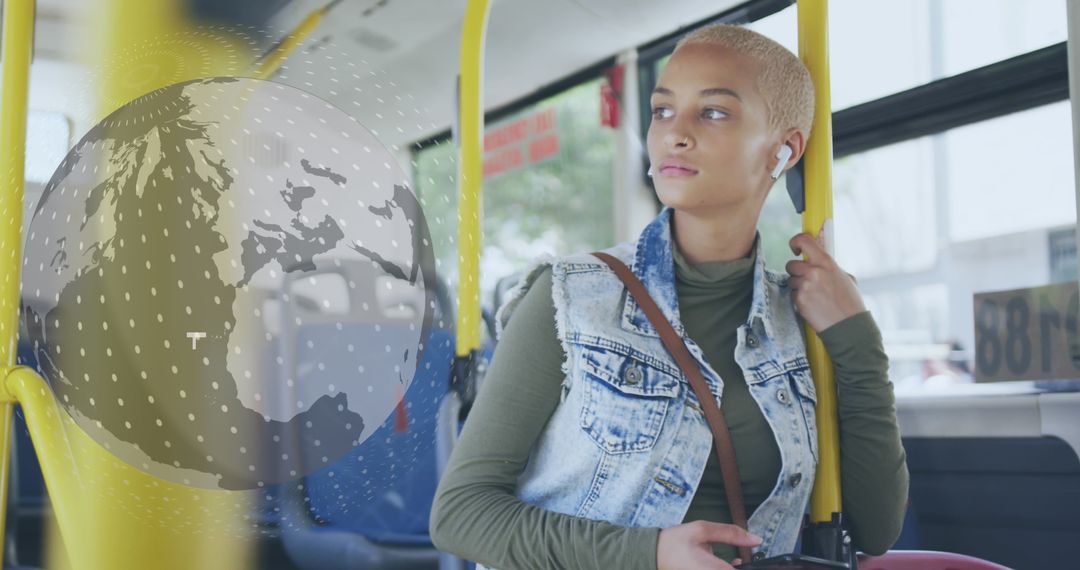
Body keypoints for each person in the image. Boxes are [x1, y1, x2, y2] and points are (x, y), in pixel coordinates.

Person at [429, 23, 908, 570]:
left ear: (784, 149)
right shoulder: (570, 301)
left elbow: (875, 528)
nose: (674, 134)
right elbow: (460, 514)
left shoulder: (806, 321)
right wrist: (648, 554)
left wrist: (858, 341)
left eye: (714, 112)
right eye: (661, 111)